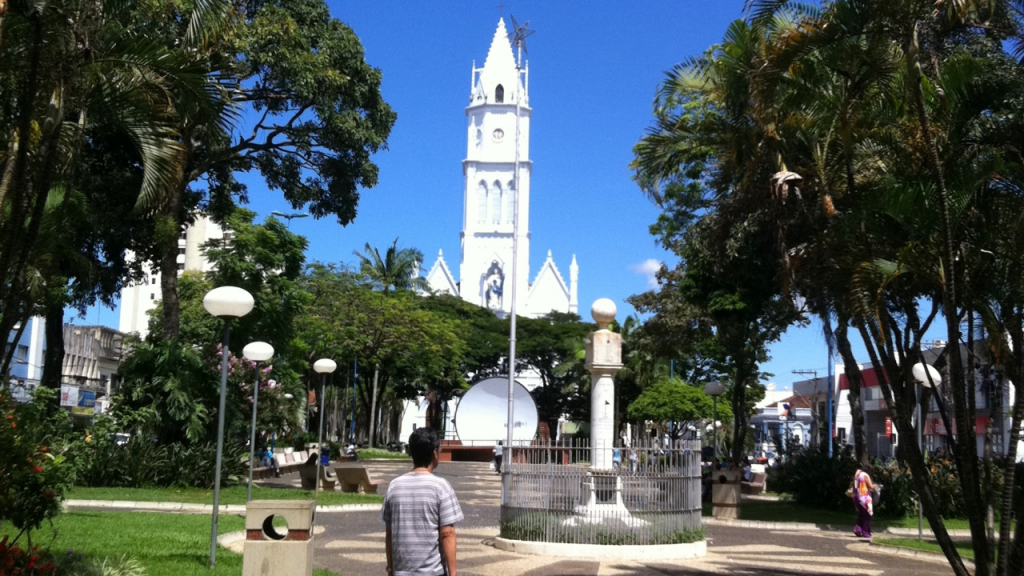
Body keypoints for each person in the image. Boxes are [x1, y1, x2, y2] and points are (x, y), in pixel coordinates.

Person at [381, 428, 463, 576]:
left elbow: (389, 533)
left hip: (401, 572)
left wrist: (390, 568)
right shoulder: (441, 487)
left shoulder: (394, 486)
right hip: (432, 572)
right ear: (435, 453)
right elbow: (447, 533)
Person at [852, 464, 878, 539]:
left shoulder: (857, 474)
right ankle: (865, 532)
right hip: (864, 498)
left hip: (856, 497)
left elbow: (856, 486)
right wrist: (875, 486)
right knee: (868, 515)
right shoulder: (865, 475)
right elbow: (870, 487)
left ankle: (858, 529)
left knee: (861, 514)